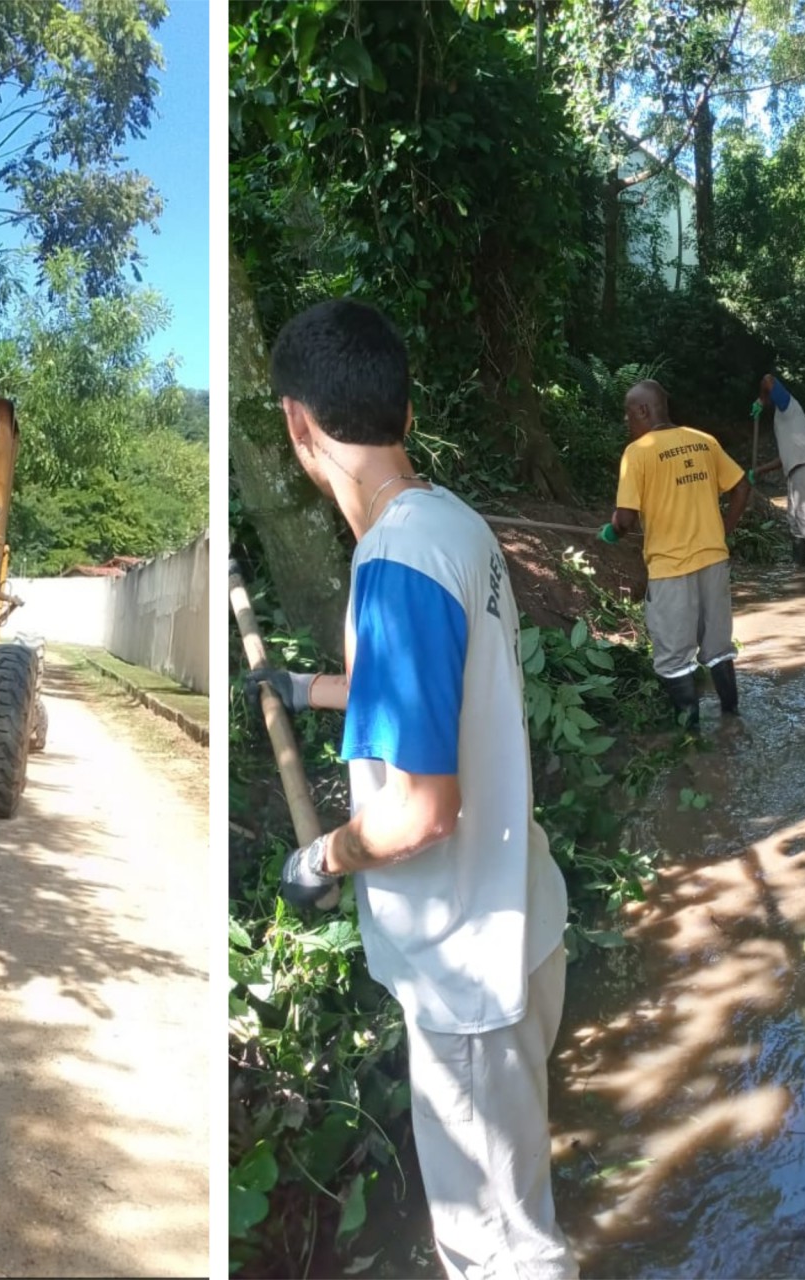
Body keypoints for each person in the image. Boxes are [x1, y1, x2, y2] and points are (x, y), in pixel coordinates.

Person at [248, 299, 578, 1280]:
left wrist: (324, 853)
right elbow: (442, 690)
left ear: (296, 422)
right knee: (515, 1214)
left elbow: (422, 811)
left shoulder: (392, 563)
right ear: (402, 406)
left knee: (502, 1252)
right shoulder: (449, 524)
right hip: (522, 918)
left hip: (464, 962)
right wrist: (304, 689)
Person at [598, 379, 750, 726]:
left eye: (628, 414)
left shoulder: (638, 452)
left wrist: (612, 531)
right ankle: (732, 722)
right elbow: (742, 487)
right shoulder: (704, 441)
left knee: (673, 658)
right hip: (714, 561)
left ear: (643, 410)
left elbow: (625, 519)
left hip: (671, 570)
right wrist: (722, 531)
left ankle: (689, 743)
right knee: (718, 648)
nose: (627, 422)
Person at [747, 374, 805, 572]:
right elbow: (784, 457)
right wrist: (758, 470)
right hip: (799, 469)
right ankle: (799, 569)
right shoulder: (784, 420)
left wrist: (761, 398)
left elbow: (767, 379)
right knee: (795, 521)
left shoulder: (788, 406)